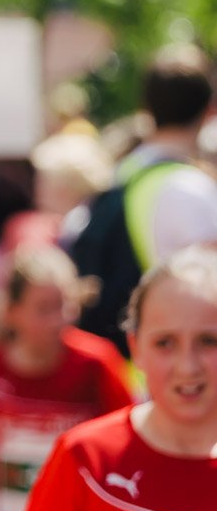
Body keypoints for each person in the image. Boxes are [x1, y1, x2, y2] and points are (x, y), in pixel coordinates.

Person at [16, 244, 217, 511]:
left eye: (209, 341)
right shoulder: (86, 459)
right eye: (165, 343)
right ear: (136, 348)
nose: (187, 366)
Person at [0, 245, 133, 511]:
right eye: (43, 309)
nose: (57, 320)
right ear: (12, 311)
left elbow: (126, 439)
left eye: (64, 305)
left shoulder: (97, 362)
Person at [73, 44, 217, 356]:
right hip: (180, 373)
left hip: (134, 361)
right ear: (209, 110)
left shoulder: (123, 172)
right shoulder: (194, 189)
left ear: (146, 107)